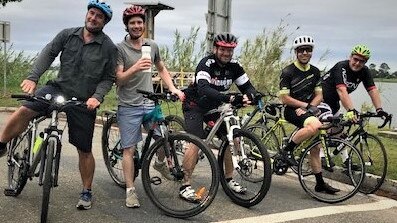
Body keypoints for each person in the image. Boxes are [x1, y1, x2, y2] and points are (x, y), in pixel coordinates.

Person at [0, 0, 117, 210]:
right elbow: (48, 53)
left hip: (83, 99)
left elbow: (108, 78)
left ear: (105, 22)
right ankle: (1, 143)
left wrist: (97, 97)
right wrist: (33, 77)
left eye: (99, 16)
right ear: (87, 14)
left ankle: (86, 191)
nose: (93, 18)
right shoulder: (68, 34)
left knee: (84, 149)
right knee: (25, 109)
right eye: (91, 13)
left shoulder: (108, 47)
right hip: (57, 89)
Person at [115, 5, 184, 208]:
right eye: (132, 23)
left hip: (149, 102)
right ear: (126, 26)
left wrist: (173, 88)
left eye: (139, 22)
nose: (137, 26)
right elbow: (118, 79)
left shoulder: (152, 45)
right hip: (128, 104)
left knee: (165, 139)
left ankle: (160, 163)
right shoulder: (119, 49)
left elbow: (161, 69)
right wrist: (135, 67)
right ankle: (130, 190)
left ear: (144, 25)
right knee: (129, 149)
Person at [181, 33, 258, 202]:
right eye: (222, 49)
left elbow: (248, 87)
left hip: (214, 106)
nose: (226, 53)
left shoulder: (234, 66)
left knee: (231, 139)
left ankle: (229, 179)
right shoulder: (206, 64)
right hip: (195, 105)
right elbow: (203, 89)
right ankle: (185, 184)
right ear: (215, 49)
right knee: (195, 142)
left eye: (230, 50)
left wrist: (252, 96)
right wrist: (229, 98)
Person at [279, 35, 340, 194]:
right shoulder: (288, 71)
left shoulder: (315, 71)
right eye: (301, 50)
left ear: (312, 52)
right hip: (292, 109)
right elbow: (284, 98)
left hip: (308, 110)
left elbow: (319, 95)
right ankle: (287, 150)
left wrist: (310, 107)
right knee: (316, 126)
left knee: (316, 147)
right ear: (296, 52)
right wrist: (304, 106)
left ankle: (319, 183)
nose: (305, 53)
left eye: (308, 50)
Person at [321, 44, 390, 167]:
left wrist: (379, 109)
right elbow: (342, 91)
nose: (357, 63)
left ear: (365, 62)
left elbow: (372, 90)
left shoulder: (365, 71)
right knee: (322, 128)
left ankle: (346, 162)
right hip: (320, 99)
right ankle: (321, 156)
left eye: (362, 61)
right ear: (350, 57)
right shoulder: (341, 67)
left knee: (339, 130)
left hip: (334, 102)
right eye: (355, 59)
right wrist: (351, 110)